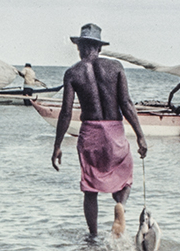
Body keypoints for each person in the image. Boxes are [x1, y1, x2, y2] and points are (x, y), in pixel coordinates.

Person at [51, 23, 147, 237]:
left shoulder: (73, 73)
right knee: (125, 177)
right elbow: (127, 103)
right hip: (114, 131)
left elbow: (66, 112)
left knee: (90, 187)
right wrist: (140, 136)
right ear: (99, 47)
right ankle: (120, 205)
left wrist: (57, 145)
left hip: (90, 133)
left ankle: (93, 236)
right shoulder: (116, 67)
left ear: (80, 47)